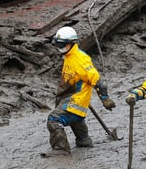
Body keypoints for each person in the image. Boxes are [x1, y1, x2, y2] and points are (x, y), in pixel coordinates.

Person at [41, 26, 116, 157]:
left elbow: (97, 81)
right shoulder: (68, 55)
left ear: (71, 43)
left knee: (54, 118)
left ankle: (61, 149)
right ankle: (84, 141)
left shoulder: (81, 60)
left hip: (76, 100)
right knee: (76, 119)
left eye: (62, 45)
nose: (59, 47)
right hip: (69, 97)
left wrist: (105, 99)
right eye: (58, 44)